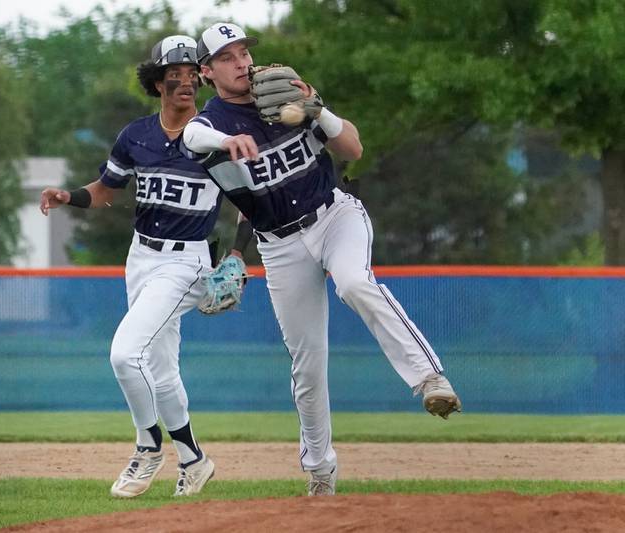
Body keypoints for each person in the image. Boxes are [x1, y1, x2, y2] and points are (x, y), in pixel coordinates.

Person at [181, 22, 462, 496]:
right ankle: (320, 472)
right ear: (207, 71)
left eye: (244, 51)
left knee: (354, 282)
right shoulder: (211, 124)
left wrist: (320, 110)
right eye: (227, 57)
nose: (242, 62)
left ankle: (429, 378)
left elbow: (352, 147)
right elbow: (191, 137)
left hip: (335, 216)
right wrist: (224, 143)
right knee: (307, 364)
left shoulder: (285, 92)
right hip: (280, 245)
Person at [40, 35, 219, 498]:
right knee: (160, 370)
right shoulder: (136, 135)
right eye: (175, 74)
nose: (186, 81)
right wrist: (68, 197)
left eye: (192, 73)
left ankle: (148, 446)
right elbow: (106, 188)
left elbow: (247, 200)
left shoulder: (210, 136)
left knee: (124, 354)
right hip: (141, 257)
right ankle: (195, 460)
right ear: (158, 82)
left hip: (187, 261)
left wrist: (236, 254)